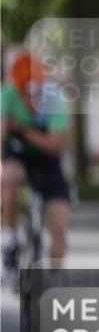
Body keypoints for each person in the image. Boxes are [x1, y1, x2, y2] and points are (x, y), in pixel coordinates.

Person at [1, 50, 72, 270]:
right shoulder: (7, 95)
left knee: (59, 228)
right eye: (25, 95)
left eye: (36, 94)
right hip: (18, 155)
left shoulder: (56, 99)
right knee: (9, 180)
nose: (30, 101)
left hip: (48, 160)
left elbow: (54, 144)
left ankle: (53, 282)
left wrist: (22, 129)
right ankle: (12, 239)